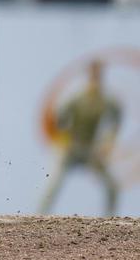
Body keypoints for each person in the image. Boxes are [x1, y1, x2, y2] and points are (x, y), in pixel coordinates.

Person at [39, 60, 122, 216]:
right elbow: (60, 120)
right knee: (52, 187)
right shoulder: (77, 98)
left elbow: (117, 117)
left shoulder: (105, 100)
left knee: (112, 186)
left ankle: (111, 220)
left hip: (90, 149)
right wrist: (62, 141)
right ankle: (37, 218)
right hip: (71, 149)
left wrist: (109, 141)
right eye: (93, 74)